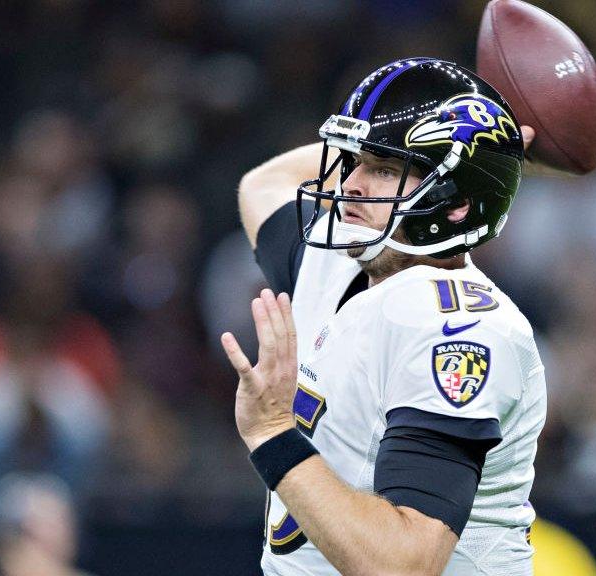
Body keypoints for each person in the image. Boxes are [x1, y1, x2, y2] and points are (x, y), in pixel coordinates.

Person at [221, 58, 547, 575]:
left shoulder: (460, 328)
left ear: (455, 204)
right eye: (353, 160)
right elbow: (262, 185)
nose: (350, 184)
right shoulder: (339, 258)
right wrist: (485, 153)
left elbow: (404, 564)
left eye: (384, 169)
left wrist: (274, 435)